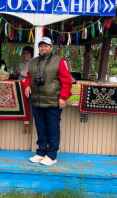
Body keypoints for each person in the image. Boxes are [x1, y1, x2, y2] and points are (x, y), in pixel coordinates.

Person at [23, 37, 72, 166]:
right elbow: (29, 76)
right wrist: (27, 86)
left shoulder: (59, 61)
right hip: (37, 101)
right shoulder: (33, 62)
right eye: (41, 46)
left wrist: (63, 97)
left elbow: (66, 81)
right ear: (38, 48)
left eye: (46, 46)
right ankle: (41, 152)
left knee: (53, 128)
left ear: (51, 47)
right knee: (40, 128)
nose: (43, 48)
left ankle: (51, 155)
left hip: (53, 101)